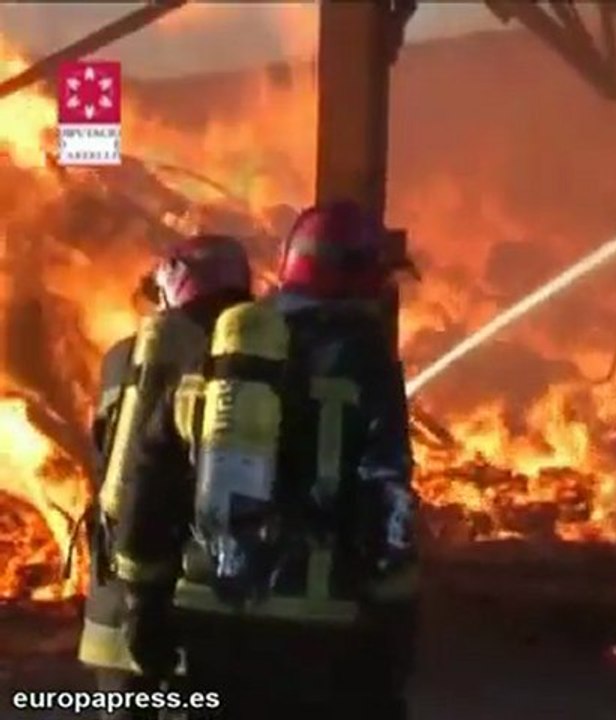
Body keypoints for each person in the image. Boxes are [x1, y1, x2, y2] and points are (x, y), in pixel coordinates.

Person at [113, 200, 418, 720]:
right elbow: (385, 501)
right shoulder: (366, 365)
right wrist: (394, 624)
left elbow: (149, 475)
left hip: (210, 620)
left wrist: (145, 601)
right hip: (320, 634)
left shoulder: (222, 349)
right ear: (362, 277)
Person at [76, 234, 254, 720]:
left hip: (115, 607)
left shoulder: (122, 358)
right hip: (205, 605)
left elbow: (104, 459)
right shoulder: (250, 366)